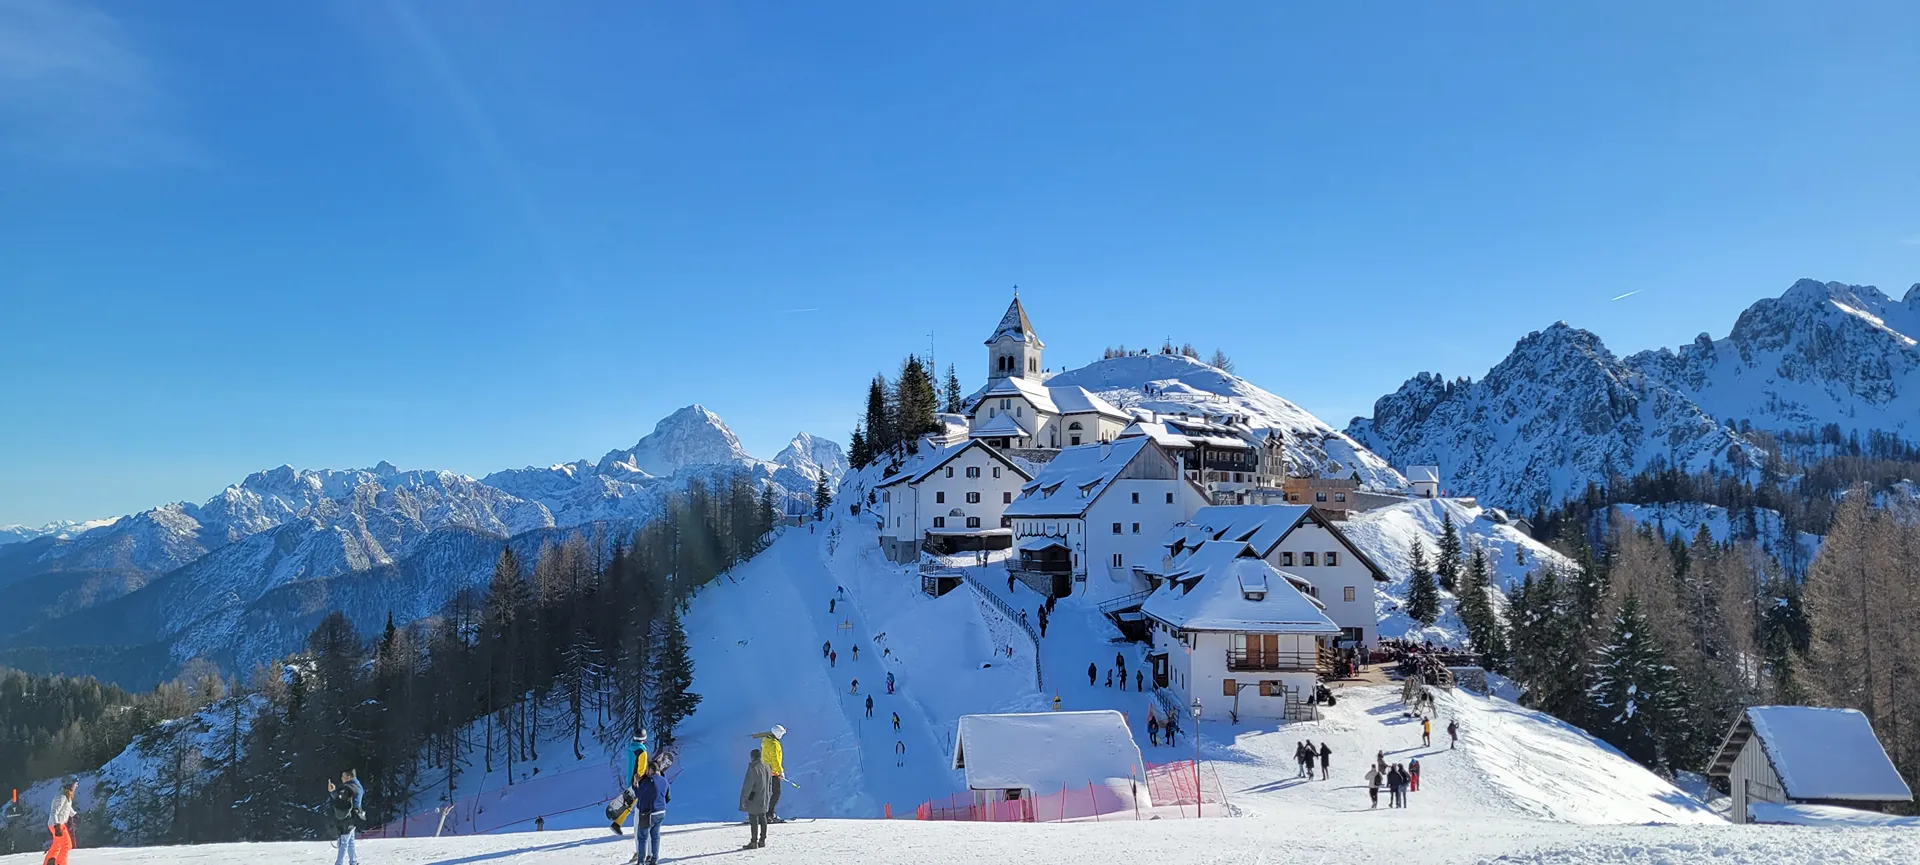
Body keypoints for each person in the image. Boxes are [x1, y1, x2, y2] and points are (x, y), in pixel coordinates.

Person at [610, 731, 652, 833]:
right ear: (644, 738)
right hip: (638, 781)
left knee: (630, 802)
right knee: (637, 803)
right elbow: (641, 769)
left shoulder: (631, 749)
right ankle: (618, 824)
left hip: (630, 778)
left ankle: (618, 823)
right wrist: (643, 778)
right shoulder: (642, 751)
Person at [630, 763, 670, 865]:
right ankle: (654, 859)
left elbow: (638, 794)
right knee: (655, 836)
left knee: (642, 837)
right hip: (661, 811)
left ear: (651, 770)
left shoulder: (649, 781)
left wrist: (635, 783)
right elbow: (668, 797)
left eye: (647, 769)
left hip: (648, 813)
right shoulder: (664, 780)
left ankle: (641, 861)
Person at [747, 726, 786, 822]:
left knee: (765, 794)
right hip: (772, 772)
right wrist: (780, 771)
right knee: (776, 793)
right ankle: (769, 815)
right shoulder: (774, 744)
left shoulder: (766, 742)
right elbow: (775, 760)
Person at [739, 749, 772, 850]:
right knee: (763, 817)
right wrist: (769, 794)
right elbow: (770, 783)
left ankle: (754, 842)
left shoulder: (753, 768)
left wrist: (744, 799)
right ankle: (762, 840)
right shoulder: (767, 767)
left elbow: (748, 785)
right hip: (764, 796)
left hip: (754, 797)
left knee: (753, 818)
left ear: (752, 757)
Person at [326, 774, 359, 865]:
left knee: (343, 843)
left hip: (345, 822)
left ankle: (339, 863)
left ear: (348, 777)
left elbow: (339, 802)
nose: (341, 778)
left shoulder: (345, 790)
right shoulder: (355, 788)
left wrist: (333, 792)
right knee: (350, 842)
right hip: (352, 820)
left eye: (343, 777)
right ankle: (353, 862)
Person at [45, 779, 77, 865]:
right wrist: (57, 826)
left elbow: (67, 807)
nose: (76, 786)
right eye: (75, 784)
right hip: (57, 825)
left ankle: (48, 863)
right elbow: (54, 812)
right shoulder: (61, 797)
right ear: (70, 785)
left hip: (58, 824)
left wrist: (74, 814)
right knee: (67, 845)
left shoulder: (66, 795)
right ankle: (60, 863)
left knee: (57, 845)